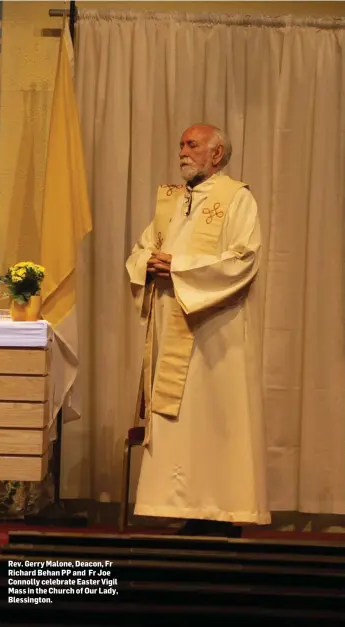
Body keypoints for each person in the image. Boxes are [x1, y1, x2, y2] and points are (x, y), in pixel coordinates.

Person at [126, 123, 270, 537]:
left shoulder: (236, 198)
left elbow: (245, 259)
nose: (182, 153)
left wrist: (180, 269)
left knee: (217, 421)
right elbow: (142, 249)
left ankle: (223, 511)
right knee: (182, 424)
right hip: (172, 323)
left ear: (217, 153)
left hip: (214, 330)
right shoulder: (170, 200)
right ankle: (186, 507)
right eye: (181, 146)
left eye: (192, 145)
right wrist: (148, 264)